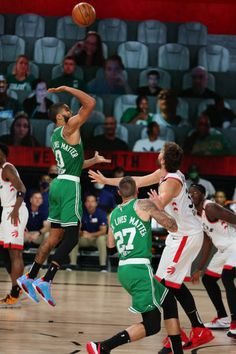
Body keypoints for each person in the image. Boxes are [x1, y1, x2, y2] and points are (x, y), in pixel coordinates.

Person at [89, 142, 214, 351]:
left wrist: (156, 203)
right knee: (165, 284)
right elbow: (134, 181)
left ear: (164, 159)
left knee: (165, 285)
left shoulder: (171, 182)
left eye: (161, 152)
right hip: (179, 235)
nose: (158, 153)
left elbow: (159, 208)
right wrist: (106, 180)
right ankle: (184, 334)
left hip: (185, 234)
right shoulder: (164, 173)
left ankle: (195, 331)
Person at [17, 85, 110, 306]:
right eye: (68, 109)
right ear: (61, 116)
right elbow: (91, 103)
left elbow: (73, 165)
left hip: (58, 183)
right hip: (69, 186)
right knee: (73, 237)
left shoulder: (56, 135)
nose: (72, 111)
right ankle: (46, 280)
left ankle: (29, 277)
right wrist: (67, 88)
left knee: (54, 238)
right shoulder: (70, 127)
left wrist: (92, 162)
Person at [87, 176, 184, 354]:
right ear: (137, 191)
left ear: (118, 193)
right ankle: (103, 347)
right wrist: (159, 207)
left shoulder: (113, 214)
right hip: (140, 269)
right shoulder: (144, 205)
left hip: (124, 268)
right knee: (152, 324)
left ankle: (177, 351)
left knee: (169, 301)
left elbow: (110, 247)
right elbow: (172, 226)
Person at [189, 184, 236, 338]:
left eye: (195, 192)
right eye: (190, 192)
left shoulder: (210, 208)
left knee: (227, 277)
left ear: (203, 194)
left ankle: (235, 322)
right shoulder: (196, 214)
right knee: (208, 280)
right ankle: (223, 318)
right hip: (223, 250)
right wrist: (200, 268)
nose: (192, 194)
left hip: (234, 245)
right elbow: (207, 242)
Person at [0, 143, 29, 308]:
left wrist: (16, 211)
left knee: (15, 254)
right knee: (7, 254)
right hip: (7, 211)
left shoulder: (7, 168)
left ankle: (15, 294)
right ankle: (19, 287)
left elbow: (21, 188)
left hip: (14, 211)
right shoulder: (1, 170)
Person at [78, 194, 108, 271]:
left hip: (97, 239)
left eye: (92, 201)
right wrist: (82, 233)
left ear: (96, 203)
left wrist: (90, 235)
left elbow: (103, 231)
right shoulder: (81, 213)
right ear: (85, 204)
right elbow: (77, 229)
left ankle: (103, 266)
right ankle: (72, 264)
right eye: (88, 201)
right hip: (85, 238)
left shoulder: (101, 213)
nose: (90, 204)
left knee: (101, 239)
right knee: (73, 239)